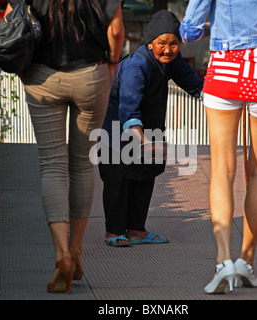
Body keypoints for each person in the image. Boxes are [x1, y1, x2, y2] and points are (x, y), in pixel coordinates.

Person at [180, 0, 257, 294]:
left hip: (225, 67)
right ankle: (246, 261)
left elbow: (191, 31)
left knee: (222, 169)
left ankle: (223, 259)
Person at [4, 0, 124, 293]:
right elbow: (117, 31)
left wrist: (23, 69)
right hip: (91, 77)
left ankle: (62, 256)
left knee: (52, 166)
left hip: (42, 77)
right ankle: (77, 251)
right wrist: (111, 64)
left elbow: (10, 23)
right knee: (83, 165)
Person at [97, 10, 203, 247]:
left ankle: (136, 230)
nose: (168, 49)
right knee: (118, 180)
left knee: (145, 176)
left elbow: (197, 87)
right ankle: (113, 232)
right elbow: (128, 108)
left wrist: (228, 100)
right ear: (150, 42)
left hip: (148, 132)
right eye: (161, 43)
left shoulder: (172, 62)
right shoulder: (137, 65)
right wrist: (142, 140)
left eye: (173, 43)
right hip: (118, 134)